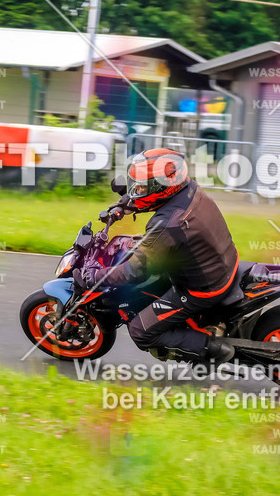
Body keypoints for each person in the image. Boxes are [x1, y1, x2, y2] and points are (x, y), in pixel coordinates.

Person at [83, 148, 238, 364]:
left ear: (161, 187)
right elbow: (155, 200)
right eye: (136, 184)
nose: (137, 189)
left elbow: (133, 271)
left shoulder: (166, 224)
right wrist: (127, 203)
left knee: (140, 330)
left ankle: (213, 349)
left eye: (143, 186)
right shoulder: (188, 189)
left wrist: (96, 276)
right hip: (222, 261)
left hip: (202, 289)